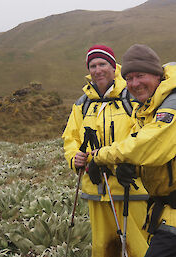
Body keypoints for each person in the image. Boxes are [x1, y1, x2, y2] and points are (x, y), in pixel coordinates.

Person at [91, 44, 176, 257]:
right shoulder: (148, 107)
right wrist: (129, 167)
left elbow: (149, 145)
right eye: (128, 78)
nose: (134, 84)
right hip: (167, 214)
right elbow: (158, 155)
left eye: (140, 75)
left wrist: (100, 157)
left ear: (157, 75)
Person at [62, 44, 149, 257]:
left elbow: (144, 135)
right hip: (95, 188)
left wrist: (128, 164)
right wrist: (76, 158)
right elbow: (70, 137)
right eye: (93, 65)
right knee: (103, 248)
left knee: (137, 246)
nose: (97, 69)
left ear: (113, 67)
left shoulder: (131, 97)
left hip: (130, 187)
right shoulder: (83, 104)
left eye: (103, 64)